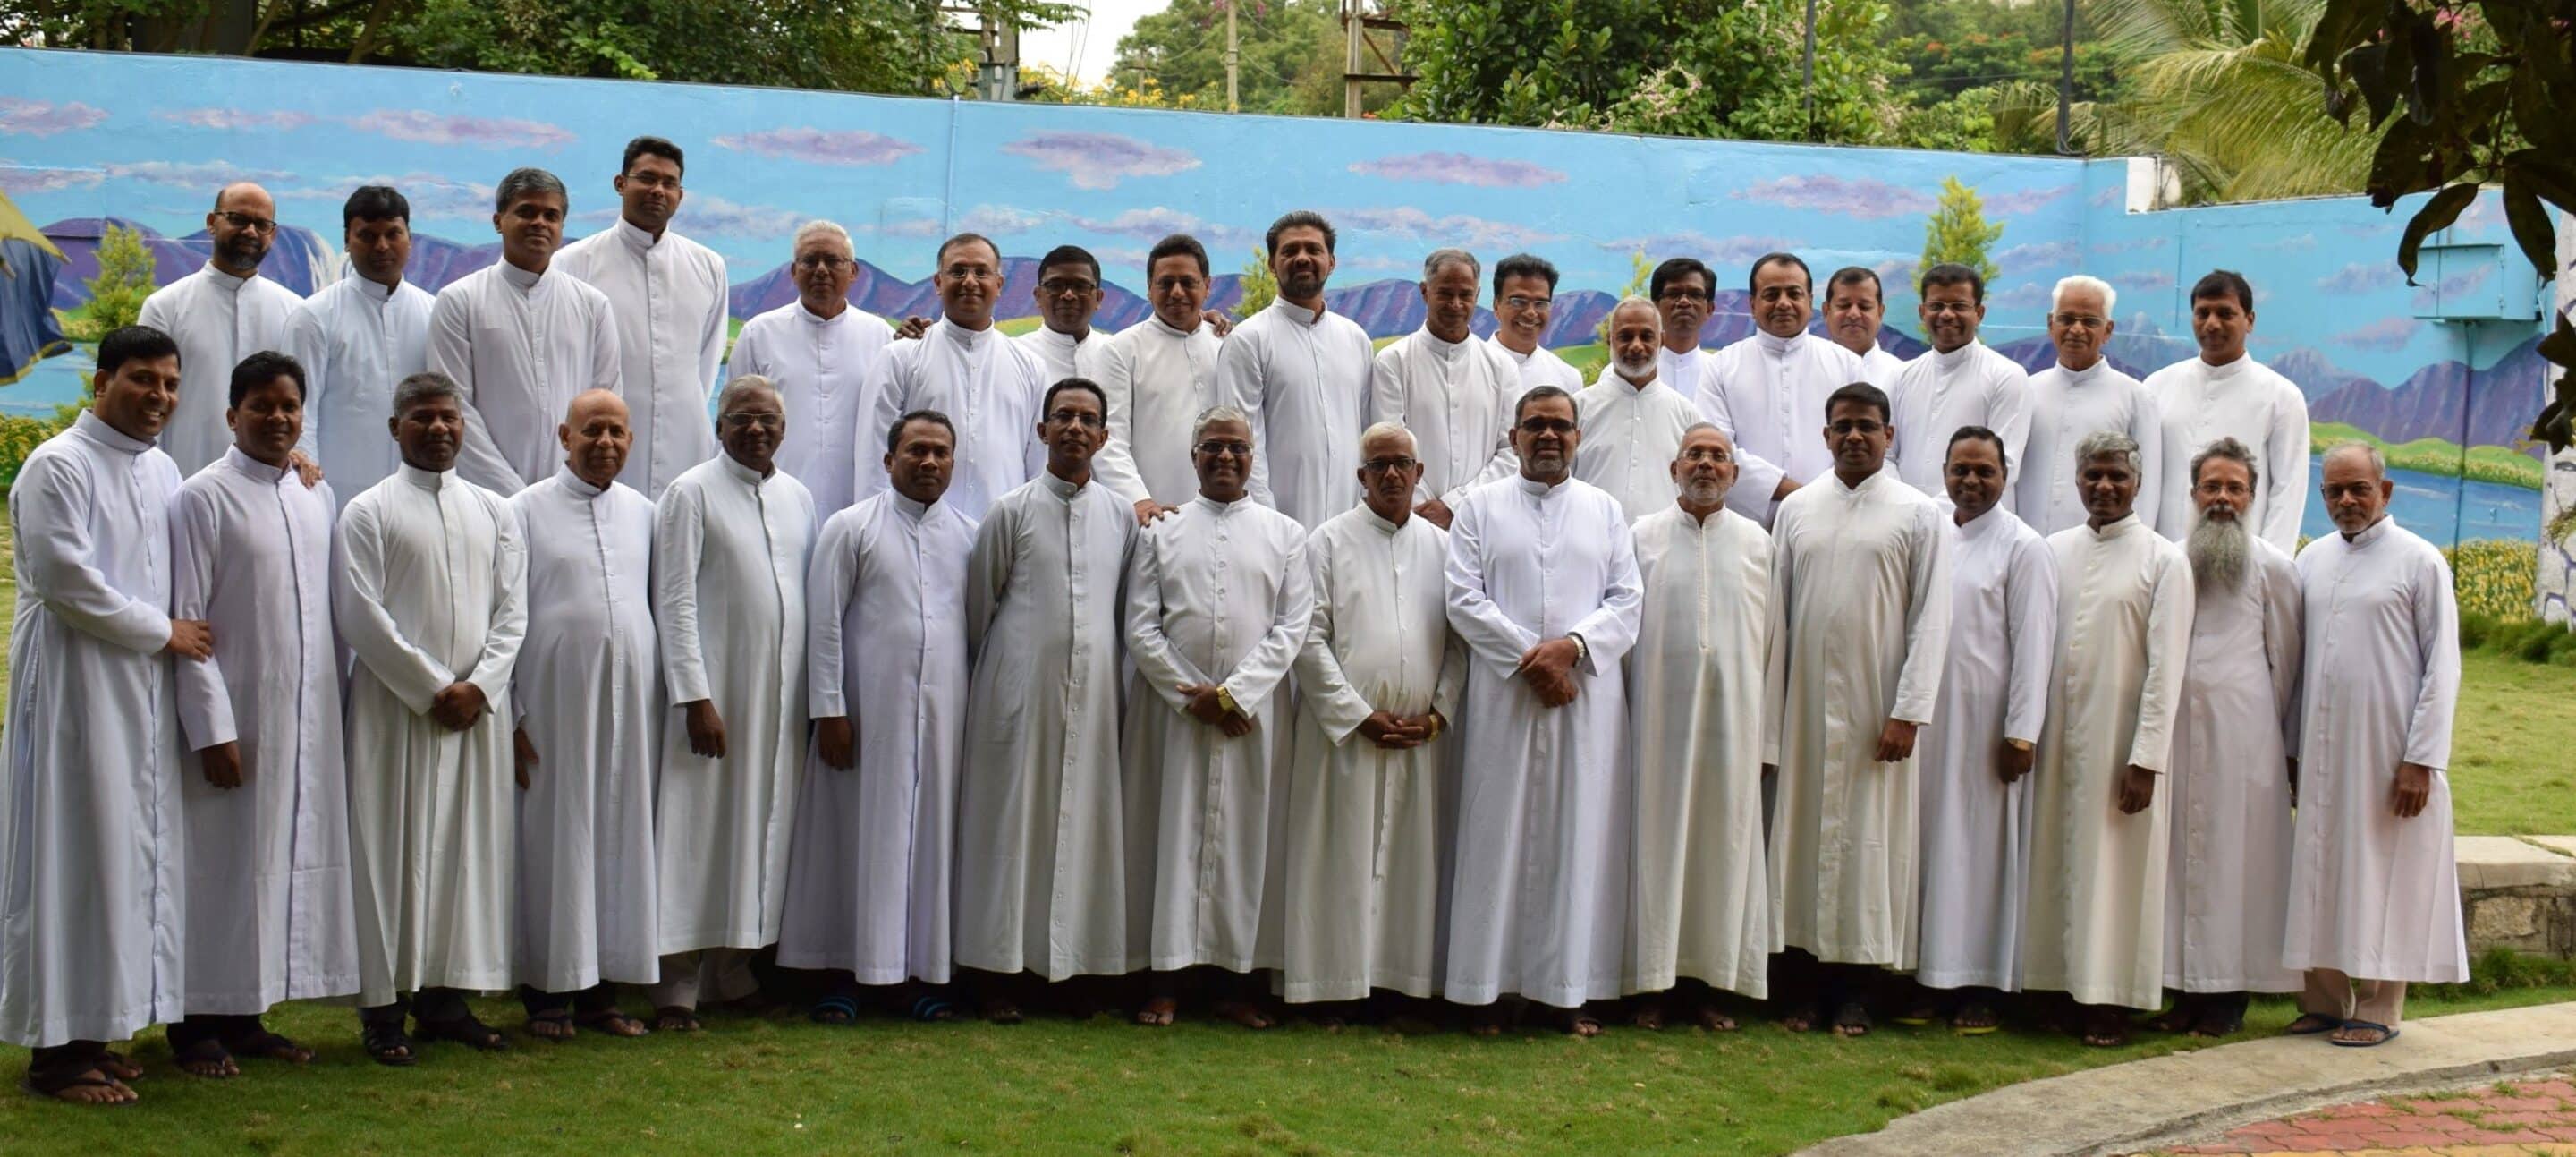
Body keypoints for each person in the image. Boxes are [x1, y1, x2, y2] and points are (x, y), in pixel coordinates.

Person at [1, 326, 197, 1104]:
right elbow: (64, 579)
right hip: (79, 686)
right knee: (72, 851)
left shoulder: (162, 468)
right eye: (142, 380)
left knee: (125, 854)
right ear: (102, 382)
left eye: (170, 383)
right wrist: (164, 631)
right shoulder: (60, 464)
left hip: (139, 688)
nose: (158, 397)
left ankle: (98, 1029)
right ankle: (55, 1052)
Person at [168, 350, 359, 1077]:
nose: (277, 418)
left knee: (273, 860)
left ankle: (248, 1014)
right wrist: (211, 727)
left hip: (305, 714)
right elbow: (188, 616)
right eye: (262, 406)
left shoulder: (316, 493)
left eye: (289, 406)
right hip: (236, 713)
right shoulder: (202, 497)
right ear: (231, 415)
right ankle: (195, 1025)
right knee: (218, 864)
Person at [336, 370, 529, 1064]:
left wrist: (479, 686)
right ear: (396, 428)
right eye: (423, 418)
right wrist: (431, 686)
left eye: (449, 417)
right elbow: (361, 614)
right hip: (396, 712)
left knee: (463, 854)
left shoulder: (495, 510)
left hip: (473, 714)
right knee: (390, 853)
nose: (440, 428)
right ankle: (383, 1009)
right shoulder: (367, 510)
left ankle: (446, 1000)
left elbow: (514, 611)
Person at [1444, 385, 1643, 1036]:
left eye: (1561, 426)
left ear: (1579, 437)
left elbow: (1626, 600)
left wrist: (1573, 649)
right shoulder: (1478, 508)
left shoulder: (1606, 510)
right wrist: (1533, 659)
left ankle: (1565, 992)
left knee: (1576, 836)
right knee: (1495, 834)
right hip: (1506, 697)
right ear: (1514, 437)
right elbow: (1463, 598)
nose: (1549, 436)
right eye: (1536, 426)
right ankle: (1487, 992)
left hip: (1584, 699)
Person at [1766, 381, 1953, 1036]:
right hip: (1805, 709)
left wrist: (1909, 710)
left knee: (1870, 848)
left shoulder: (1919, 513)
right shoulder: (1797, 511)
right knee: (1801, 841)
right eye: (1841, 425)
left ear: (1889, 435)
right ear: (1825, 435)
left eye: (1866, 426)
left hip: (1880, 712)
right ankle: (1803, 985)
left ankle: (1858, 991)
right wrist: (1772, 719)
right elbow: (1775, 619)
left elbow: (1933, 618)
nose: (1853, 436)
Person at [953, 379, 1142, 1020]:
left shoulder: (1119, 515)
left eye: (1089, 419)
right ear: (1041, 431)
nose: (1075, 428)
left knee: (1083, 826)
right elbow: (981, 606)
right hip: (1017, 694)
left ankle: (1074, 970)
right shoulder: (1009, 510)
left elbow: (1121, 612)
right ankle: (999, 973)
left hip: (1091, 700)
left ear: (1104, 437)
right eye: (1063, 416)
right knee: (1010, 827)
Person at [780, 410, 977, 1025]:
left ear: (953, 462)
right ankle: (844, 972)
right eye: (916, 451)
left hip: (942, 721)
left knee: (927, 845)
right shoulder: (852, 527)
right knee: (856, 838)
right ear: (889, 460)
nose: (928, 462)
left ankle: (914, 976)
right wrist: (830, 709)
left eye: (940, 453)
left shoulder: (970, 534)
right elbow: (824, 624)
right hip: (864, 719)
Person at [1124, 406, 1313, 1029]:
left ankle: (1238, 983)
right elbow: (1141, 626)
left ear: (1252, 457)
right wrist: (1194, 697)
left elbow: (1292, 627)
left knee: (1246, 842)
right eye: (1213, 447)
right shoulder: (1161, 532)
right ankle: (1166, 979)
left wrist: (1234, 694)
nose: (1225, 457)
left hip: (1251, 720)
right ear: (1193, 456)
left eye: (1236, 448)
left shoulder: (1286, 534)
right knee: (1171, 836)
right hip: (1175, 718)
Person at [2282, 443, 2468, 1047]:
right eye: (2334, 490)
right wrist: (2289, 748)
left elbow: (2443, 666)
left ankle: (2384, 1005)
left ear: (2385, 492)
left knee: (2387, 871)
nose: (2346, 500)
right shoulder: (2312, 563)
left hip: (2391, 755)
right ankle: (2327, 998)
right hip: (2321, 749)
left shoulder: (2419, 561)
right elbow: (2297, 665)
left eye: (2359, 488)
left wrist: (2422, 758)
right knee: (2320, 866)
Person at [649, 376, 817, 1031]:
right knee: (696, 833)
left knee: (757, 831)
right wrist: (694, 694)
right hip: (712, 699)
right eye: (741, 417)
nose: (755, 429)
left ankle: (731, 969)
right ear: (719, 426)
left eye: (767, 418)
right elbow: (675, 599)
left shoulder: (797, 497)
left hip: (775, 700)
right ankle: (675, 987)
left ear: (784, 426)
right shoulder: (690, 492)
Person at [1282, 423, 1462, 1022]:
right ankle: (1331, 985)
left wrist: (1438, 714)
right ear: (1361, 476)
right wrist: (1356, 714)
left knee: (1408, 861)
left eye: (1401, 464)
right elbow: (1308, 638)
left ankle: (1398, 986)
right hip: (1347, 735)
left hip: (1416, 735)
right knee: (1337, 856)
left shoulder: (1443, 547)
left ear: (1419, 472)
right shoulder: (1327, 542)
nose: (1391, 474)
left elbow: (1459, 643)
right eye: (1378, 464)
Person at [2021, 430, 2193, 1049]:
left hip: (2120, 746)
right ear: (2076, 480)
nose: (2104, 486)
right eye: (2093, 474)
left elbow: (2165, 668)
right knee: (2054, 861)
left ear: (2138, 482)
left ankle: (2111, 1000)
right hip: (2057, 735)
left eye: (2117, 475)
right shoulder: (2051, 550)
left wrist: (2145, 758)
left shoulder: (2165, 560)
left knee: (2116, 871)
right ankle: (2052, 988)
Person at [505, 389, 661, 1042]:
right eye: (591, 430)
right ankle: (546, 994)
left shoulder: (647, 513)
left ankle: (604, 993)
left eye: (617, 432)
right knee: (556, 844)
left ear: (632, 439)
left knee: (620, 841)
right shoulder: (522, 511)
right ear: (564, 435)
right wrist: (510, 712)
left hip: (632, 707)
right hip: (551, 706)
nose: (605, 443)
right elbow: (505, 613)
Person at [1626, 424, 1772, 1029]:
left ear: (1735, 474)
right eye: (1695, 455)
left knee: (1725, 845)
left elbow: (1776, 642)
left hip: (1735, 723)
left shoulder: (1759, 543)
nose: (1707, 465)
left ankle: (1715, 985)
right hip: (1659, 720)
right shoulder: (1643, 537)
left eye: (1718, 457)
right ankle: (1651, 985)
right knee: (1658, 846)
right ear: (1673, 468)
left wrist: (1768, 738)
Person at [1911, 428, 2055, 1034]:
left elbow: (2035, 644)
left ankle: (1979, 985)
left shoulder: (2024, 546)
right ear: (1943, 469)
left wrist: (2021, 731)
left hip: (1986, 723)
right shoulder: (1928, 526)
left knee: (1979, 851)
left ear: (2005, 474)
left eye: (1984, 471)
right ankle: (1924, 977)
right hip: (1927, 718)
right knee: (1927, 846)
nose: (1971, 481)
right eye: (1960, 469)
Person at [2157, 438, 2302, 1038]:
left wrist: (2282, 747)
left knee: (2232, 864)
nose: (2221, 498)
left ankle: (2225, 997)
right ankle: (2179, 991)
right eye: (2211, 487)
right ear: (2193, 494)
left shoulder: (2274, 566)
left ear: (2252, 495)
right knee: (2176, 864)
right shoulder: (2168, 558)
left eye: (2233, 488)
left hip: (2245, 742)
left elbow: (2288, 662)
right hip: (2174, 738)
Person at [427, 167, 622, 495]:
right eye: (526, 212)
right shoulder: (459, 300)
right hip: (484, 496)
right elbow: (455, 409)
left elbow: (605, 401)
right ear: (498, 221)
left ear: (561, 226)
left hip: (572, 494)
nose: (539, 223)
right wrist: (514, 497)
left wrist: (567, 487)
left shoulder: (593, 305)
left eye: (551, 215)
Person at [555, 136, 727, 496]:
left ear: (681, 194)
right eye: (647, 178)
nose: (658, 190)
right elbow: (566, 363)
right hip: (604, 448)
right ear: (621, 184)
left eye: (669, 183)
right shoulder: (574, 263)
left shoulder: (708, 266)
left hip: (686, 444)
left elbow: (706, 364)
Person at [860, 233, 1046, 522]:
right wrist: (877, 531)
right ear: (938, 283)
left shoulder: (1030, 367)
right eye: (958, 271)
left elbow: (1038, 464)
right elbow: (874, 457)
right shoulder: (901, 357)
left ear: (999, 285)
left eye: (981, 272)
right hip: (916, 530)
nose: (969, 281)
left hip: (1000, 531)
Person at [729, 220, 894, 523]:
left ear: (854, 272)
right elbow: (733, 426)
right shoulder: (759, 334)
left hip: (858, 507)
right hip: (773, 505)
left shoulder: (880, 336)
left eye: (833, 261)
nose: (821, 270)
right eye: (810, 261)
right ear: (793, 272)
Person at [1221, 211, 1377, 528]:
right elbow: (1244, 442)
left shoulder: (1356, 339)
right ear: (1271, 264)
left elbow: (1365, 431)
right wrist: (1269, 524)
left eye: (1313, 250)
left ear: (1331, 262)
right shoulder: (1250, 340)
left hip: (1349, 528)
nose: (1302, 258)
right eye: (1290, 251)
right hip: (1276, 524)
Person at [138, 182, 305, 476]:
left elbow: (302, 405)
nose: (250, 231)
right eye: (238, 219)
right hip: (182, 479)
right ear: (212, 223)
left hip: (267, 487)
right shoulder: (166, 307)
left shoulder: (294, 311)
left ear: (273, 234)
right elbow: (147, 404)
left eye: (261, 224)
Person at [286, 184, 434, 508]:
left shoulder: (434, 313)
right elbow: (300, 414)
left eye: (392, 234)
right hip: (336, 495)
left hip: (418, 496)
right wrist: (308, 497)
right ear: (346, 241)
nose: (381, 246)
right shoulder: (315, 316)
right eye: (367, 235)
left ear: (409, 238)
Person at [2148, 271, 2309, 552]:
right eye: (2202, 313)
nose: (2212, 324)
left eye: (2225, 313)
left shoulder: (2282, 397)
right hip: (2163, 556)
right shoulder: (2156, 386)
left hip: (2241, 564)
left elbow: (2288, 491)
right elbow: (2143, 481)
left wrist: (2268, 569)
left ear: (2249, 320)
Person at [1699, 252, 1857, 519]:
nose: (1783, 304)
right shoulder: (1721, 367)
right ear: (1752, 304)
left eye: (1793, 294)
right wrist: (1797, 493)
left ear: (1810, 301)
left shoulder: (1847, 366)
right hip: (1744, 525)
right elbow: (1716, 449)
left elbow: (1858, 445)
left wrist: (1821, 499)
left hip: (1830, 517)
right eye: (1771, 295)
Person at [1370, 249, 1518, 530]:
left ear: (1477, 295)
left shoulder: (1501, 367)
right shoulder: (1394, 361)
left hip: (1481, 523)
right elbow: (1388, 447)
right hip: (1410, 520)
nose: (1456, 304)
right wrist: (1425, 512)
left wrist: (1455, 506)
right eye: (1445, 294)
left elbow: (1510, 452)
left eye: (1465, 295)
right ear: (1425, 292)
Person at [2017, 276, 2163, 536]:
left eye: (2090, 322)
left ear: (2108, 330)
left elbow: (2147, 488)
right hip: (2029, 547)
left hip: (2103, 550)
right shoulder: (2026, 390)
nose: (2076, 329)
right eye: (2067, 319)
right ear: (2051, 324)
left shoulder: (2136, 398)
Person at [1097, 234, 1225, 523]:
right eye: (1165, 283)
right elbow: (1109, 440)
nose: (1176, 292)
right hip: (1155, 518)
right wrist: (1139, 499)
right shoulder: (1121, 350)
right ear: (1149, 289)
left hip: (1226, 514)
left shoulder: (1227, 345)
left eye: (1188, 282)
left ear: (1207, 286)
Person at [1887, 263, 2029, 502]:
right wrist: (1906, 511)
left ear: (1979, 313)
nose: (1946, 314)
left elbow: (2005, 465)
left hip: (1976, 526)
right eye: (1936, 306)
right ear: (1922, 312)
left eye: (1959, 306)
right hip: (1907, 522)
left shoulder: (2006, 376)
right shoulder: (1902, 375)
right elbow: (1886, 455)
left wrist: (1931, 516)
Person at [1573, 297, 1702, 521]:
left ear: (1661, 340)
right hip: (1590, 542)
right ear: (1609, 339)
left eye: (1646, 336)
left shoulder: (1687, 415)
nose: (1636, 346)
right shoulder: (1578, 408)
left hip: (1662, 548)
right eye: (1625, 336)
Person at [1487, 253, 1585, 392]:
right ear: (1496, 305)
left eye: (1540, 303)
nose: (1531, 312)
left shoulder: (1568, 378)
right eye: (1518, 301)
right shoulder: (1470, 367)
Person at [1018, 244, 1114, 387]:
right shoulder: (1016, 355)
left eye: (1081, 287)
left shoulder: (1116, 351)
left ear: (1098, 298)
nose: (1068, 295)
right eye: (1055, 286)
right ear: (1038, 296)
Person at [1821, 267, 1907, 388]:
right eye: (1844, 305)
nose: (1854, 314)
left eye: (1864, 306)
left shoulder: (1901, 377)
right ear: (1826, 311)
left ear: (1880, 313)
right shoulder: (1806, 369)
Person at [1648, 258, 1717, 401]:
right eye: (1673, 294)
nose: (1684, 302)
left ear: (1709, 309)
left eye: (1695, 294)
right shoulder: (1628, 372)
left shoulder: (1720, 373)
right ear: (1655, 308)